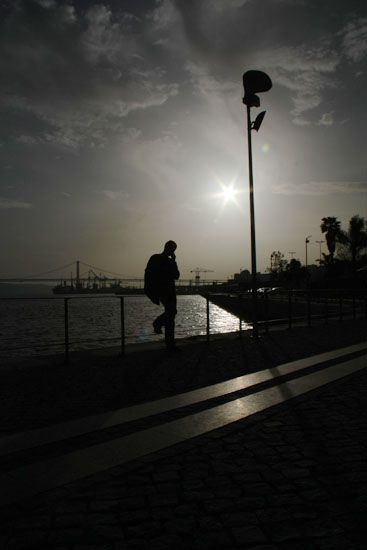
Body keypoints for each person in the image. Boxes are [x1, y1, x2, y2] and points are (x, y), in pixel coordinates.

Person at [144, 240, 180, 351]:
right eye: (172, 249)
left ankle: (170, 345)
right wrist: (150, 291)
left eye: (174, 250)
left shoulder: (170, 261)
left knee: (171, 317)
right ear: (166, 248)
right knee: (171, 312)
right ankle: (157, 323)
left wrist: (174, 261)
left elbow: (176, 276)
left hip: (170, 292)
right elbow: (148, 274)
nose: (172, 251)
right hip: (162, 291)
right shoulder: (155, 258)